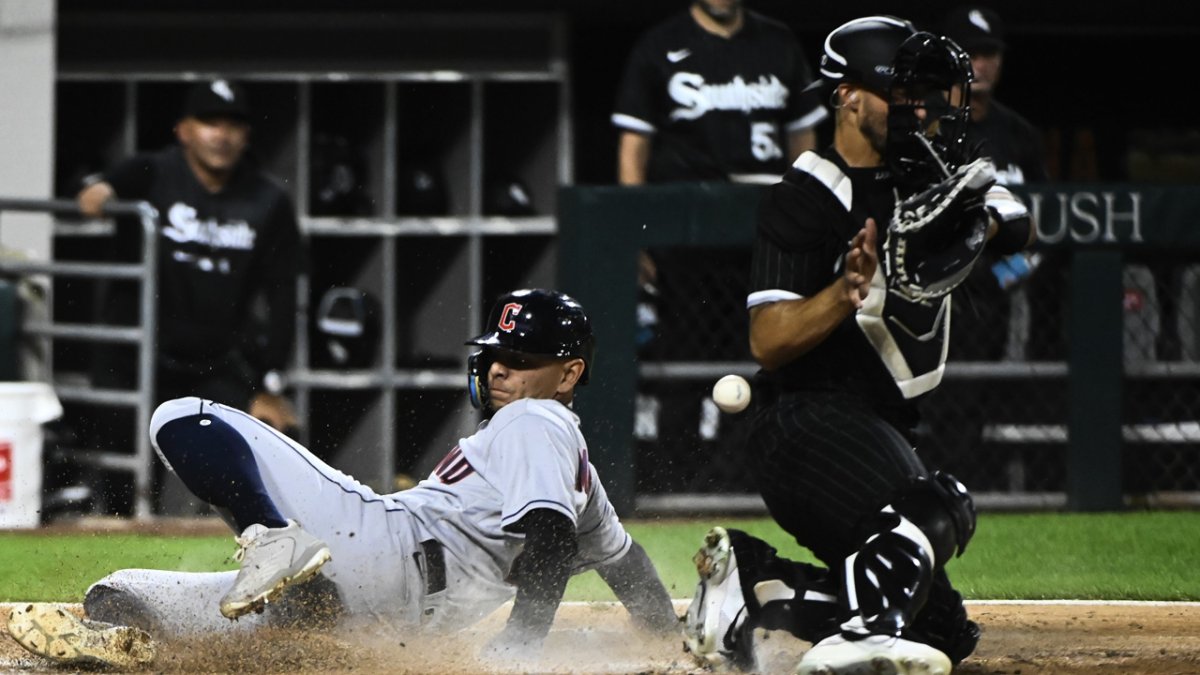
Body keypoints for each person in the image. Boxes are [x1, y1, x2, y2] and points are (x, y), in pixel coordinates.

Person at [5, 289, 679, 670]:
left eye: (523, 358)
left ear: (569, 375)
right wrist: (668, 641)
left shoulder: (537, 421)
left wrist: (524, 646)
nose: (501, 371)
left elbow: (552, 538)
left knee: (181, 415)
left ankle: (272, 534)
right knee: (117, 595)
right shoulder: (574, 461)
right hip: (396, 617)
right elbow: (627, 563)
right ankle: (280, 632)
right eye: (497, 355)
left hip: (377, 545)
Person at [678, 15, 1035, 675]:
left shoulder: (927, 171)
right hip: (804, 422)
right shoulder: (807, 194)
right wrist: (842, 292)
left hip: (876, 423)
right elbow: (769, 339)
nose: (915, 107)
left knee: (941, 631)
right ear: (844, 95)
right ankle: (859, 637)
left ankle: (751, 583)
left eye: (920, 93)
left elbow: (1016, 218)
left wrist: (980, 222)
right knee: (937, 503)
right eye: (896, 92)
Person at [74, 78, 301, 514]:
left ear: (247, 135)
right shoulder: (151, 170)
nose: (222, 134)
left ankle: (245, 552)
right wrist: (100, 190)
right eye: (209, 121)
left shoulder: (268, 198)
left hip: (214, 361)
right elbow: (93, 194)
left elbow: (283, 292)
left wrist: (270, 378)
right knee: (126, 480)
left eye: (233, 124)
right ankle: (121, 550)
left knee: (263, 445)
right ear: (183, 130)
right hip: (136, 359)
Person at [612, 0, 828, 185]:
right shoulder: (658, 45)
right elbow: (634, 142)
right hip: (686, 202)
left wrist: (801, 199)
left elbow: (801, 133)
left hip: (764, 193)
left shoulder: (779, 42)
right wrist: (634, 214)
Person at [941, 4, 1050, 363]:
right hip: (937, 295)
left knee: (995, 395)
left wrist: (1006, 275)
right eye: (969, 53)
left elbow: (1047, 216)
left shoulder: (1021, 135)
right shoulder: (928, 130)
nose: (979, 64)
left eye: (988, 53)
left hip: (1002, 293)